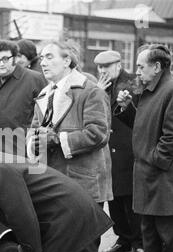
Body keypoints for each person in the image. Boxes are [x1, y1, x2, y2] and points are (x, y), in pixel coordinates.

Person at [116, 45, 173, 252]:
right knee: (148, 229)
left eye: (141, 66)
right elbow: (140, 127)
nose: (137, 72)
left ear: (157, 67)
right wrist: (127, 107)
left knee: (168, 232)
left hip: (166, 176)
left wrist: (152, 159)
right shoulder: (150, 90)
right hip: (150, 173)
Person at [27, 40, 113, 206]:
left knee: (84, 232)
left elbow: (98, 134)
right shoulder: (45, 94)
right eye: (42, 57)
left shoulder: (90, 91)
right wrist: (35, 142)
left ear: (67, 61)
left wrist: (58, 139)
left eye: (49, 57)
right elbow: (33, 131)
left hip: (83, 185)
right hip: (51, 183)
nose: (43, 62)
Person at [94, 50, 144, 252]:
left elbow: (139, 114)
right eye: (100, 67)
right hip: (108, 151)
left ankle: (138, 243)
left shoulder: (132, 82)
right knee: (113, 199)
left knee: (130, 199)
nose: (103, 71)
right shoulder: (100, 85)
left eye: (107, 66)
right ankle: (122, 238)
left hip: (128, 149)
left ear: (118, 64)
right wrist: (98, 93)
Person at [0, 40, 46, 156]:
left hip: (21, 153)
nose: (1, 63)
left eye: (5, 59)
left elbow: (45, 118)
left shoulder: (35, 80)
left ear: (16, 58)